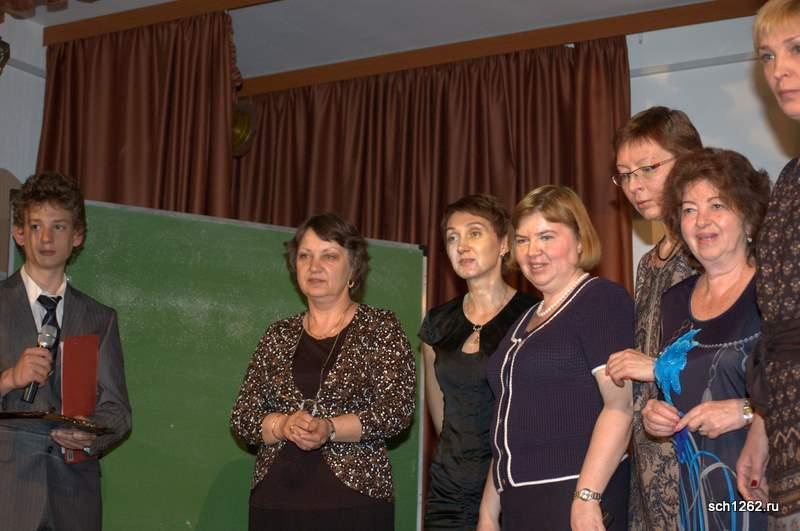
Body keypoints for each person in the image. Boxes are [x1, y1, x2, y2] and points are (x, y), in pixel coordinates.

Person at [229, 212, 416, 531]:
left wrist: (329, 428)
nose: (314, 266)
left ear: (353, 268)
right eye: (305, 256)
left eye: (328, 256)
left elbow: (396, 411)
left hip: (354, 503)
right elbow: (243, 417)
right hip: (275, 502)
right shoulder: (278, 334)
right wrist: (282, 425)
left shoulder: (380, 327)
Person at [478, 185, 633, 531]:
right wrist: (488, 513)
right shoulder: (523, 319)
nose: (533, 251)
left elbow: (621, 407)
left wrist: (587, 497)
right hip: (518, 502)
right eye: (522, 240)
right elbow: (508, 425)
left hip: (574, 496)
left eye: (547, 236)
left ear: (580, 241)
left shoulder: (600, 300)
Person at [642, 148, 770, 530]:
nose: (702, 221)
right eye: (689, 209)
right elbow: (675, 389)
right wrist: (655, 415)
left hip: (765, 492)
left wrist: (748, 411)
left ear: (748, 217)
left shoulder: (776, 289)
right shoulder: (673, 301)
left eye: (717, 205)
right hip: (698, 499)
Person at [0, 171, 132, 531]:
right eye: (36, 226)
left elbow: (118, 412)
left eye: (58, 227)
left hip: (74, 498)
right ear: (19, 233)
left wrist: (89, 436)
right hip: (7, 494)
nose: (46, 238)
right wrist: (9, 378)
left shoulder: (99, 318)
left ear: (77, 236)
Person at [605, 106, 702, 530]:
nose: (634, 186)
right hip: (648, 459)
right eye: (625, 175)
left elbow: (737, 356)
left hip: (702, 454)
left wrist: (654, 366)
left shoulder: (712, 249)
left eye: (647, 168)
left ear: (690, 161)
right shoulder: (648, 263)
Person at [420, 194, 537, 530]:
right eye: (452, 238)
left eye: (474, 232)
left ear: (504, 244)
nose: (462, 246)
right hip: (449, 492)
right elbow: (443, 418)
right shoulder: (437, 323)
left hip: (514, 484)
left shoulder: (533, 316)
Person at [737, 2, 800, 525]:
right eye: (768, 56)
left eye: (796, 48)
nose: (779, 69)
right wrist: (762, 424)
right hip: (787, 441)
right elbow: (781, 332)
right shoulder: (790, 179)